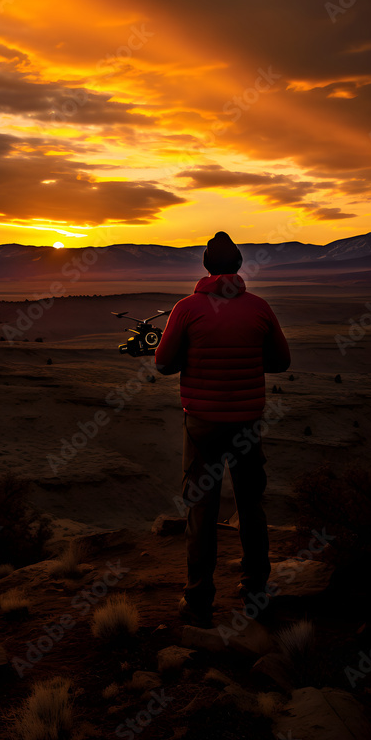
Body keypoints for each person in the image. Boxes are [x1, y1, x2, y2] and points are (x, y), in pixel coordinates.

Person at [154, 231, 291, 628]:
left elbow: (163, 364)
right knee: (251, 506)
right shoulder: (260, 308)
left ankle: (198, 601)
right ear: (239, 266)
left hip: (202, 425)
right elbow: (281, 362)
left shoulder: (186, 309)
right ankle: (255, 594)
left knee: (201, 509)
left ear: (206, 267)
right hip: (247, 422)